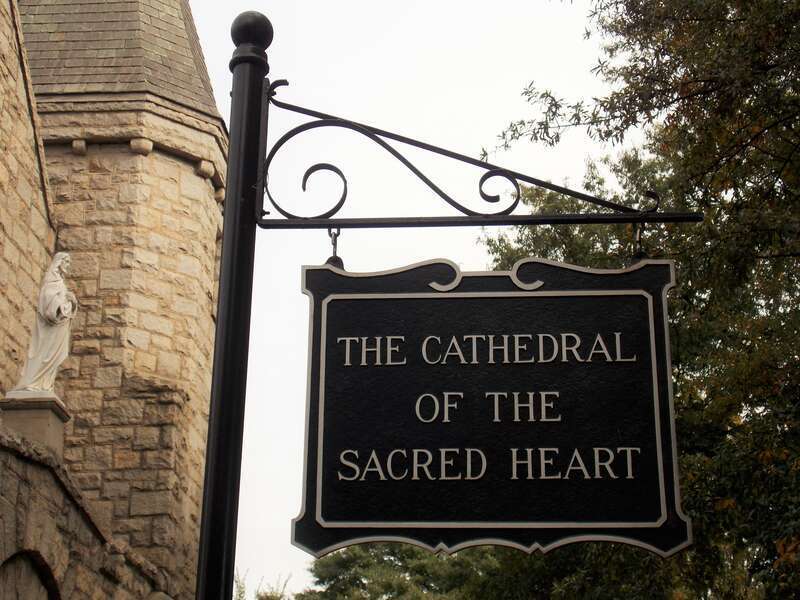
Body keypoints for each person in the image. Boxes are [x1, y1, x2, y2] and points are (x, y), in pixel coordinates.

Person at [11, 252, 77, 394]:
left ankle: (44, 384)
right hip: (49, 329)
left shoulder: (59, 282)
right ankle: (34, 382)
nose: (67, 265)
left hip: (58, 328)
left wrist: (72, 303)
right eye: (66, 262)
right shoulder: (52, 280)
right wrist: (67, 303)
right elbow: (49, 310)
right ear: (59, 262)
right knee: (43, 355)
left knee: (52, 358)